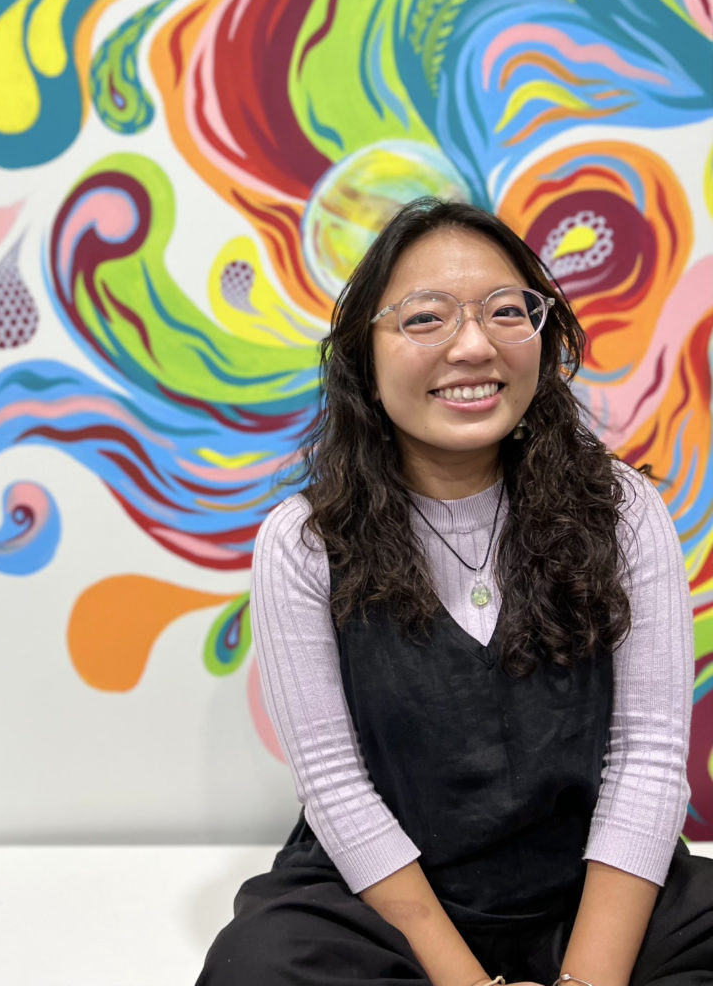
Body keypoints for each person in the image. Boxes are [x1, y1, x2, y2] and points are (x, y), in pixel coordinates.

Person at [197, 198, 712, 986]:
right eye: (425, 318)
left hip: (587, 895)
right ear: (361, 356)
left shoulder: (623, 513)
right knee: (256, 967)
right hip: (390, 912)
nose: (473, 345)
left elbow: (646, 762)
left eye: (507, 311)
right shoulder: (304, 543)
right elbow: (335, 787)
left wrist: (587, 982)